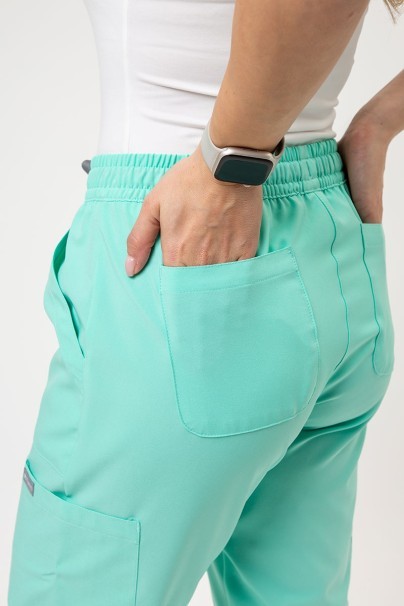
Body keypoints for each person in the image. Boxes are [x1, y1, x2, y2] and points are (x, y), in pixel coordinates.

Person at [7, 1, 403, 604]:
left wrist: (232, 164)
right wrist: (378, 124)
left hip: (193, 234)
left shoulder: (226, 174)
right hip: (330, 242)